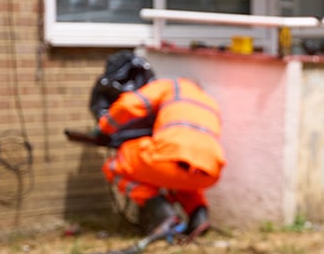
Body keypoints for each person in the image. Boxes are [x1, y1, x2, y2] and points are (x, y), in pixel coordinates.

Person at [91, 51, 226, 238]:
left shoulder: (171, 87)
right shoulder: (209, 102)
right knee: (182, 178)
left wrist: (105, 127)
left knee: (115, 166)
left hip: (169, 159)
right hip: (209, 172)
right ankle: (198, 216)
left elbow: (129, 105)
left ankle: (162, 212)